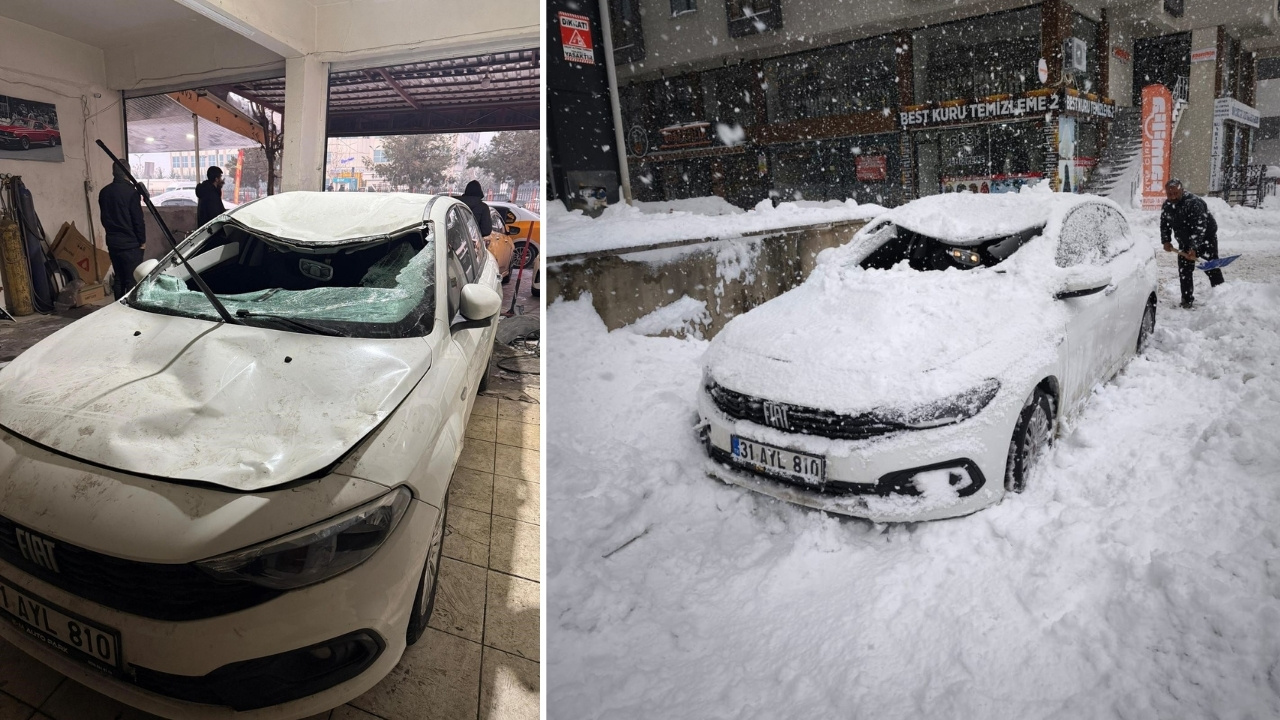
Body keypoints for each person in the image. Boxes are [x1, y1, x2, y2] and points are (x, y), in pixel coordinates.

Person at [1160, 178, 1224, 309]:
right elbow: (1164, 224)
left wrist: (1194, 247)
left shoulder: (1194, 203)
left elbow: (1199, 227)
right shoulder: (1167, 205)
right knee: (1185, 271)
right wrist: (1166, 240)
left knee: (1211, 268)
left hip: (1206, 239)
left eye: (1175, 193)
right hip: (1184, 241)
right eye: (1169, 194)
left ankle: (1222, 298)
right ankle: (1186, 300)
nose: (1172, 197)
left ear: (1182, 190)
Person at [98, 161, 146, 299]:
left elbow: (104, 218)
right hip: (130, 244)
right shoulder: (131, 193)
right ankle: (130, 310)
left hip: (113, 242)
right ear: (128, 173)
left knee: (119, 278)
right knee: (132, 280)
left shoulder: (104, 192)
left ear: (114, 172)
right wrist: (142, 241)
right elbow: (138, 220)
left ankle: (116, 307)